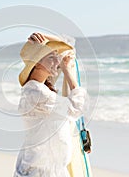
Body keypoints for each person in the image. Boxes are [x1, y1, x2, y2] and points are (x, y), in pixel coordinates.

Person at [13, 32, 90, 177]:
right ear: (37, 63)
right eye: (51, 58)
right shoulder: (37, 93)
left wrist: (43, 36)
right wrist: (67, 70)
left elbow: (69, 50)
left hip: (42, 169)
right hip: (41, 172)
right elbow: (77, 106)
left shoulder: (38, 88)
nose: (57, 61)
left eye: (56, 57)